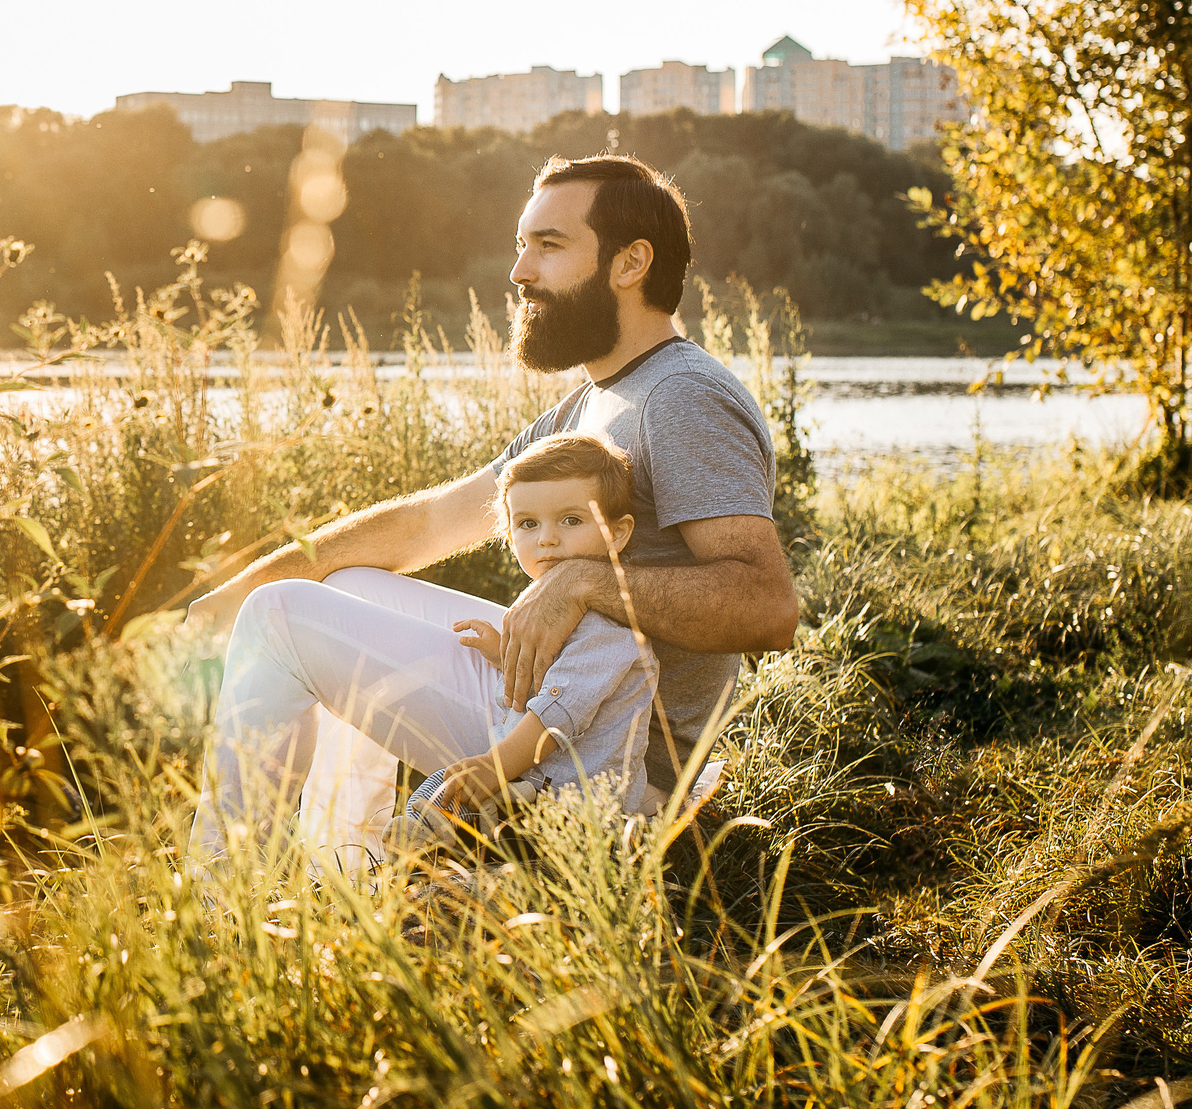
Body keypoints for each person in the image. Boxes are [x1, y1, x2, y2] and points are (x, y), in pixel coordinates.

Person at [184, 152, 796, 864]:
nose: (519, 273)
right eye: (521, 245)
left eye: (549, 246)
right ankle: (343, 868)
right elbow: (430, 522)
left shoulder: (683, 397)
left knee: (279, 618)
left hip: (604, 745)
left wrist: (587, 581)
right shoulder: (592, 404)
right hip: (553, 691)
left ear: (631, 264)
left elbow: (766, 604)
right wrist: (237, 587)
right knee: (338, 588)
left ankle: (216, 896)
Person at [393, 433, 657, 846]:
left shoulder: (607, 630)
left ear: (617, 534)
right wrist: (504, 655)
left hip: (573, 798)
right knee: (444, 783)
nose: (546, 538)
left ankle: (438, 844)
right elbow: (556, 674)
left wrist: (495, 766)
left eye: (571, 520)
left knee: (470, 786)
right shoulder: (552, 610)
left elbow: (556, 717)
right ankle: (416, 836)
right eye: (528, 524)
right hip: (535, 778)